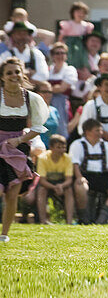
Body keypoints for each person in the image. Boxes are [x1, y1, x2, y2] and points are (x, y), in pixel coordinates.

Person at [0, 57, 48, 241]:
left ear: (22, 74)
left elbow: (37, 127)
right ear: (2, 77)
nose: (14, 75)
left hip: (18, 149)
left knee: (13, 193)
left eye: (17, 72)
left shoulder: (32, 98)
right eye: (9, 72)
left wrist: (19, 139)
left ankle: (4, 235)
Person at [70, 118, 108, 225]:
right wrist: (80, 177)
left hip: (101, 177)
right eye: (97, 130)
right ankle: (84, 219)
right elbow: (74, 163)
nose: (100, 133)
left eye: (101, 130)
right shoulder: (77, 144)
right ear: (87, 131)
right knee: (81, 187)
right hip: (85, 176)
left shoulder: (106, 145)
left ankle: (101, 220)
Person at [35, 135, 75, 225]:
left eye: (63, 147)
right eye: (58, 147)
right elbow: (42, 181)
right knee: (42, 190)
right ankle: (43, 221)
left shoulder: (67, 158)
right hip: (47, 184)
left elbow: (69, 180)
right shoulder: (42, 158)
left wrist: (61, 186)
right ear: (51, 148)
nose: (62, 150)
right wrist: (55, 187)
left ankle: (69, 221)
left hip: (61, 183)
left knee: (69, 190)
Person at [76, 73, 108, 142]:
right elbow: (83, 127)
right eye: (106, 85)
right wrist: (103, 134)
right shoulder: (90, 105)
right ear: (99, 87)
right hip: (95, 143)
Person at [45, 42, 76, 122]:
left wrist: (46, 90)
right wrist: (54, 88)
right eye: (57, 53)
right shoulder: (48, 70)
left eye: (63, 53)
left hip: (62, 104)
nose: (60, 56)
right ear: (52, 56)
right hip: (47, 103)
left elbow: (62, 88)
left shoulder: (69, 70)